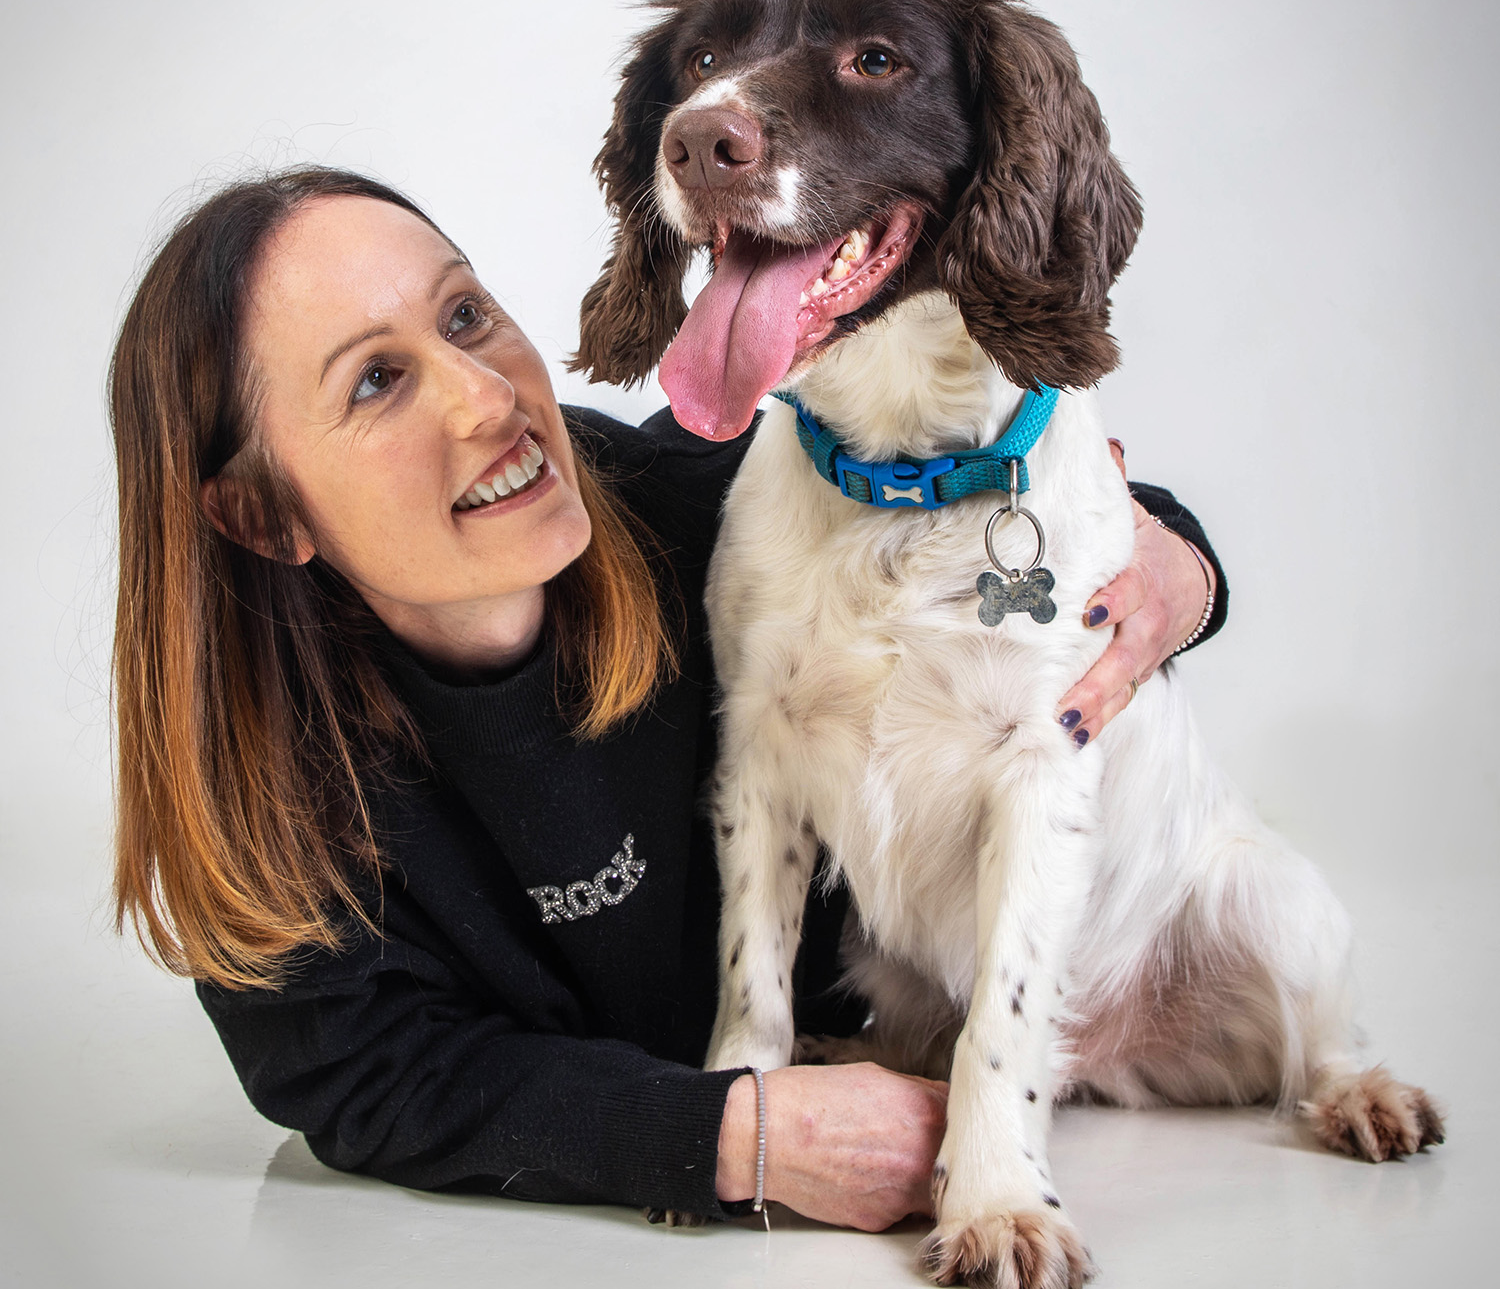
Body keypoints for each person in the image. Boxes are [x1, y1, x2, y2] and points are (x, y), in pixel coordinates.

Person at [110, 167, 1225, 1232]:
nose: (488, 399)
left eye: (464, 316)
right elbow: (365, 1075)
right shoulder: (262, 792)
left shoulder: (708, 500)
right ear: (262, 516)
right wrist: (730, 1138)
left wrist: (1184, 572)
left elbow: (1041, 513)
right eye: (375, 380)